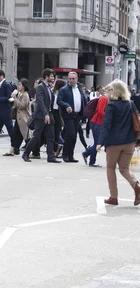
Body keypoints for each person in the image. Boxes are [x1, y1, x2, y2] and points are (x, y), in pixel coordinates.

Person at [96, 79, 140, 207]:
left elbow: (106, 125)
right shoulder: (131, 104)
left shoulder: (112, 105)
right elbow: (136, 121)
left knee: (110, 168)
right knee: (125, 168)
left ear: (115, 91)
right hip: (129, 142)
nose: (108, 93)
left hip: (114, 142)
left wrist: (100, 142)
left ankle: (113, 197)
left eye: (109, 90)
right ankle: (136, 186)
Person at [21, 68, 61, 163]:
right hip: (41, 116)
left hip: (49, 116)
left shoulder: (49, 88)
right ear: (46, 77)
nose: (53, 78)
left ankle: (50, 156)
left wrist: (50, 114)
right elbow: (40, 101)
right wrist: (45, 114)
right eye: (51, 76)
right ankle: (26, 153)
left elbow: (50, 102)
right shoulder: (40, 87)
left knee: (50, 137)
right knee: (36, 136)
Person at [57, 72, 86, 163]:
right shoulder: (64, 89)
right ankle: (65, 154)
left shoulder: (79, 89)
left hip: (77, 115)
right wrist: (66, 106)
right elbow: (59, 101)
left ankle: (71, 155)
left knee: (74, 136)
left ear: (77, 79)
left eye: (73, 79)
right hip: (68, 115)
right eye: (70, 79)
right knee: (71, 134)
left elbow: (83, 100)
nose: (71, 80)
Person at [83, 86, 108, 167]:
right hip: (97, 122)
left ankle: (87, 154)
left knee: (99, 142)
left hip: (98, 122)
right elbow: (100, 112)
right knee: (98, 142)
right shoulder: (104, 99)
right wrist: (109, 117)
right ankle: (91, 161)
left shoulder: (104, 98)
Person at [5, 79, 31, 156]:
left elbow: (22, 105)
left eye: (20, 84)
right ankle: (12, 150)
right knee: (15, 134)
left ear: (23, 86)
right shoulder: (20, 94)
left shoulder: (25, 95)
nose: (19, 86)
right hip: (18, 118)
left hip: (23, 118)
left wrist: (14, 98)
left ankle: (33, 150)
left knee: (27, 136)